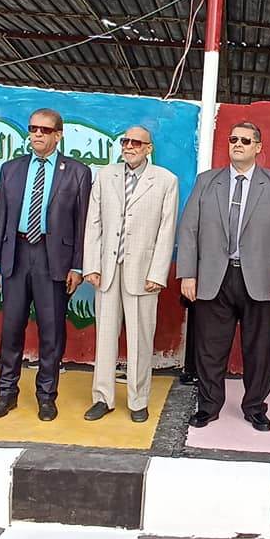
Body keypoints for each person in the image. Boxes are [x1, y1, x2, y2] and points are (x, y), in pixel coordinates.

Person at [178, 121, 270, 431]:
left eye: (246, 140)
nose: (238, 144)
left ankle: (255, 407)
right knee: (210, 348)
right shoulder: (207, 182)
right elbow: (189, 228)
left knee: (259, 349)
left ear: (258, 147)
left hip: (261, 280)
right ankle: (208, 406)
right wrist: (188, 274)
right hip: (213, 278)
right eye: (234, 139)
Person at [0, 108, 92, 422]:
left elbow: (82, 223)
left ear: (58, 134)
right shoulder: (11, 169)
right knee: (11, 329)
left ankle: (46, 396)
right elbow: (0, 219)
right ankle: (6, 394)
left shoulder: (77, 171)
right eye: (33, 129)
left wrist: (77, 267)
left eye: (44, 130)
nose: (37, 135)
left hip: (53, 258)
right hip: (16, 254)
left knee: (51, 332)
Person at [82, 126, 179, 423]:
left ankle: (138, 400)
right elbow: (93, 222)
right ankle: (103, 398)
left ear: (149, 148)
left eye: (137, 142)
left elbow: (167, 229)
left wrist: (158, 273)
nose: (129, 146)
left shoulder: (165, 180)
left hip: (143, 272)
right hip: (107, 270)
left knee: (140, 340)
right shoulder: (105, 175)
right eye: (126, 141)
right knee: (105, 338)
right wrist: (92, 265)